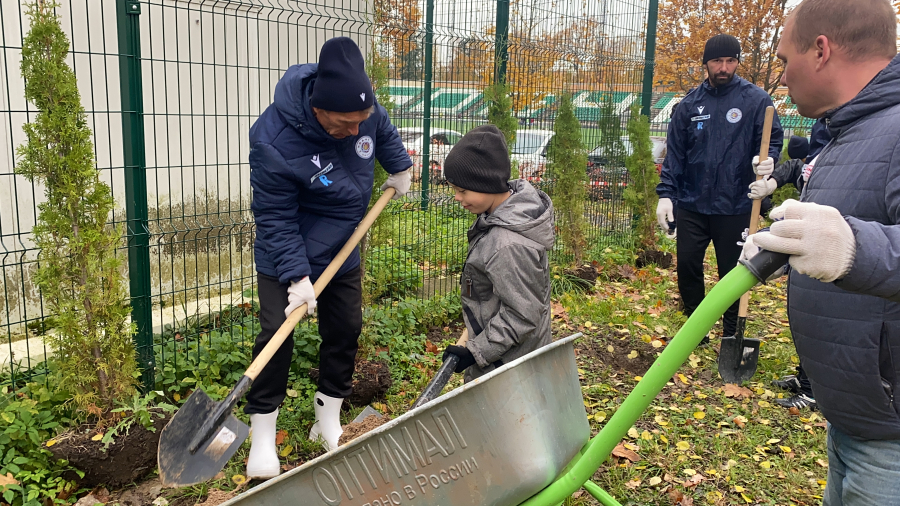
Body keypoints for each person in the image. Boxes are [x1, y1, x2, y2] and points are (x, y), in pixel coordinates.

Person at [741, 0, 900, 503]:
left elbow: (858, 244)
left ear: (821, 50)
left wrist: (852, 248)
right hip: (856, 418)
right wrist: (788, 250)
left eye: (786, 60)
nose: (783, 76)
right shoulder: (846, 133)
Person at [245, 37, 413, 479]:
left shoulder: (363, 113)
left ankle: (327, 422)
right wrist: (297, 276)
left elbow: (383, 131)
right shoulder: (273, 139)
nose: (356, 131)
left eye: (362, 120)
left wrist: (399, 166)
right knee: (276, 339)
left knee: (344, 330)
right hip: (289, 250)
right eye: (344, 123)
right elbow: (275, 217)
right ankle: (262, 437)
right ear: (318, 109)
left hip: (344, 246)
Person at [656, 33, 784, 344]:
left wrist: (766, 164)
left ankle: (731, 332)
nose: (723, 67)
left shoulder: (756, 101)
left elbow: (772, 140)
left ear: (737, 62)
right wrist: (666, 195)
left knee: (733, 272)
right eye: (717, 61)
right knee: (687, 265)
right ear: (706, 64)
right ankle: (695, 329)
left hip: (736, 203)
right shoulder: (689, 105)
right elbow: (675, 154)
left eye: (730, 60)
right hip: (692, 203)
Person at [440, 125, 554, 381]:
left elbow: (523, 314)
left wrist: (478, 351)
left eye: (462, 190)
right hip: (502, 355)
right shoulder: (495, 217)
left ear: (486, 183)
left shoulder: (507, 244)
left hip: (512, 367)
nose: (457, 197)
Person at [747, 130, 832, 411]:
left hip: (827, 250)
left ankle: (812, 392)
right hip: (808, 248)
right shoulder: (825, 150)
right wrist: (771, 182)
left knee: (819, 318)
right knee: (803, 313)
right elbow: (800, 168)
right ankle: (804, 377)